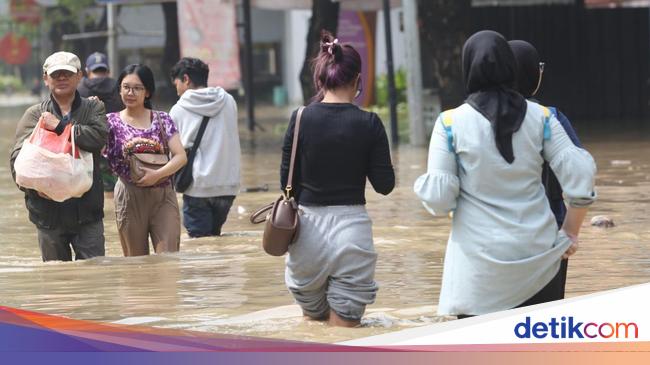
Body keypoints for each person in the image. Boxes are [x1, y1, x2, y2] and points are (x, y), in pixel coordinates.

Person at [413, 30, 597, 317]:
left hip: (477, 267)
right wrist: (569, 233)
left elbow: (439, 200)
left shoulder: (449, 123)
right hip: (539, 260)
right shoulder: (544, 118)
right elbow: (581, 179)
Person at [281, 32, 395, 327]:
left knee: (313, 329)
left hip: (306, 235)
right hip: (352, 235)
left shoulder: (301, 117)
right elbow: (385, 185)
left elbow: (287, 183)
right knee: (344, 333)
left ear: (322, 77)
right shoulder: (369, 123)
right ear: (358, 79)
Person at [9, 51, 108, 262]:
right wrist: (35, 188)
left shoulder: (94, 108)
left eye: (67, 73)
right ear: (46, 78)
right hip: (48, 215)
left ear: (79, 76)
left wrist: (62, 127)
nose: (61, 78)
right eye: (56, 74)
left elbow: (98, 139)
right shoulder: (34, 115)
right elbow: (17, 161)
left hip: (87, 212)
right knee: (57, 280)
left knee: (95, 276)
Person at [509, 39, 584, 300]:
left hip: (496, 234)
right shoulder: (550, 117)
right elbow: (580, 176)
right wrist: (571, 232)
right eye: (538, 66)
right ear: (531, 72)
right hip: (549, 230)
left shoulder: (473, 120)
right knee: (544, 319)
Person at [104, 64, 187, 256]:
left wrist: (157, 174)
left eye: (137, 88)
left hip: (163, 195)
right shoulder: (110, 122)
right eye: (125, 87)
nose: (130, 93)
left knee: (168, 258)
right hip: (129, 195)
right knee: (136, 261)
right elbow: (93, 148)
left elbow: (181, 156)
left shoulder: (162, 119)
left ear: (147, 92)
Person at [169, 57, 241, 237]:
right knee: (214, 240)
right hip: (227, 187)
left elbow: (175, 152)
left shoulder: (178, 110)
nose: (177, 91)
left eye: (176, 84)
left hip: (197, 188)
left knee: (200, 249)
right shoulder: (229, 101)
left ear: (185, 79)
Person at [78, 51, 124, 197]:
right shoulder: (120, 87)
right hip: (119, 145)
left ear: (87, 71)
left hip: (88, 146)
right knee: (118, 188)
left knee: (92, 189)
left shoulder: (79, 89)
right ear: (108, 71)